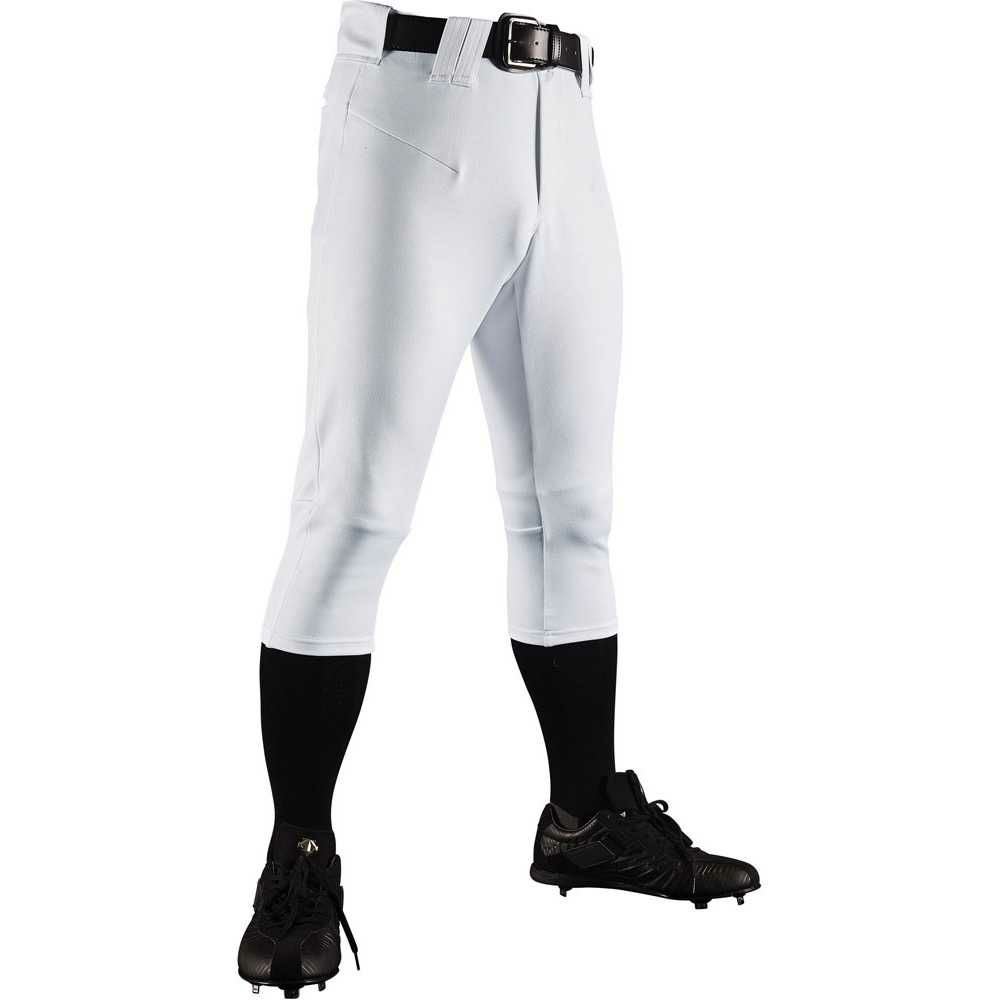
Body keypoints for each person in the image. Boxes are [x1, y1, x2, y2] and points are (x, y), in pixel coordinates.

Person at [238, 6, 760, 996]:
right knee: (353, 509)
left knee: (572, 511)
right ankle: (297, 857)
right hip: (416, 98)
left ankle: (584, 818)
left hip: (566, 108)